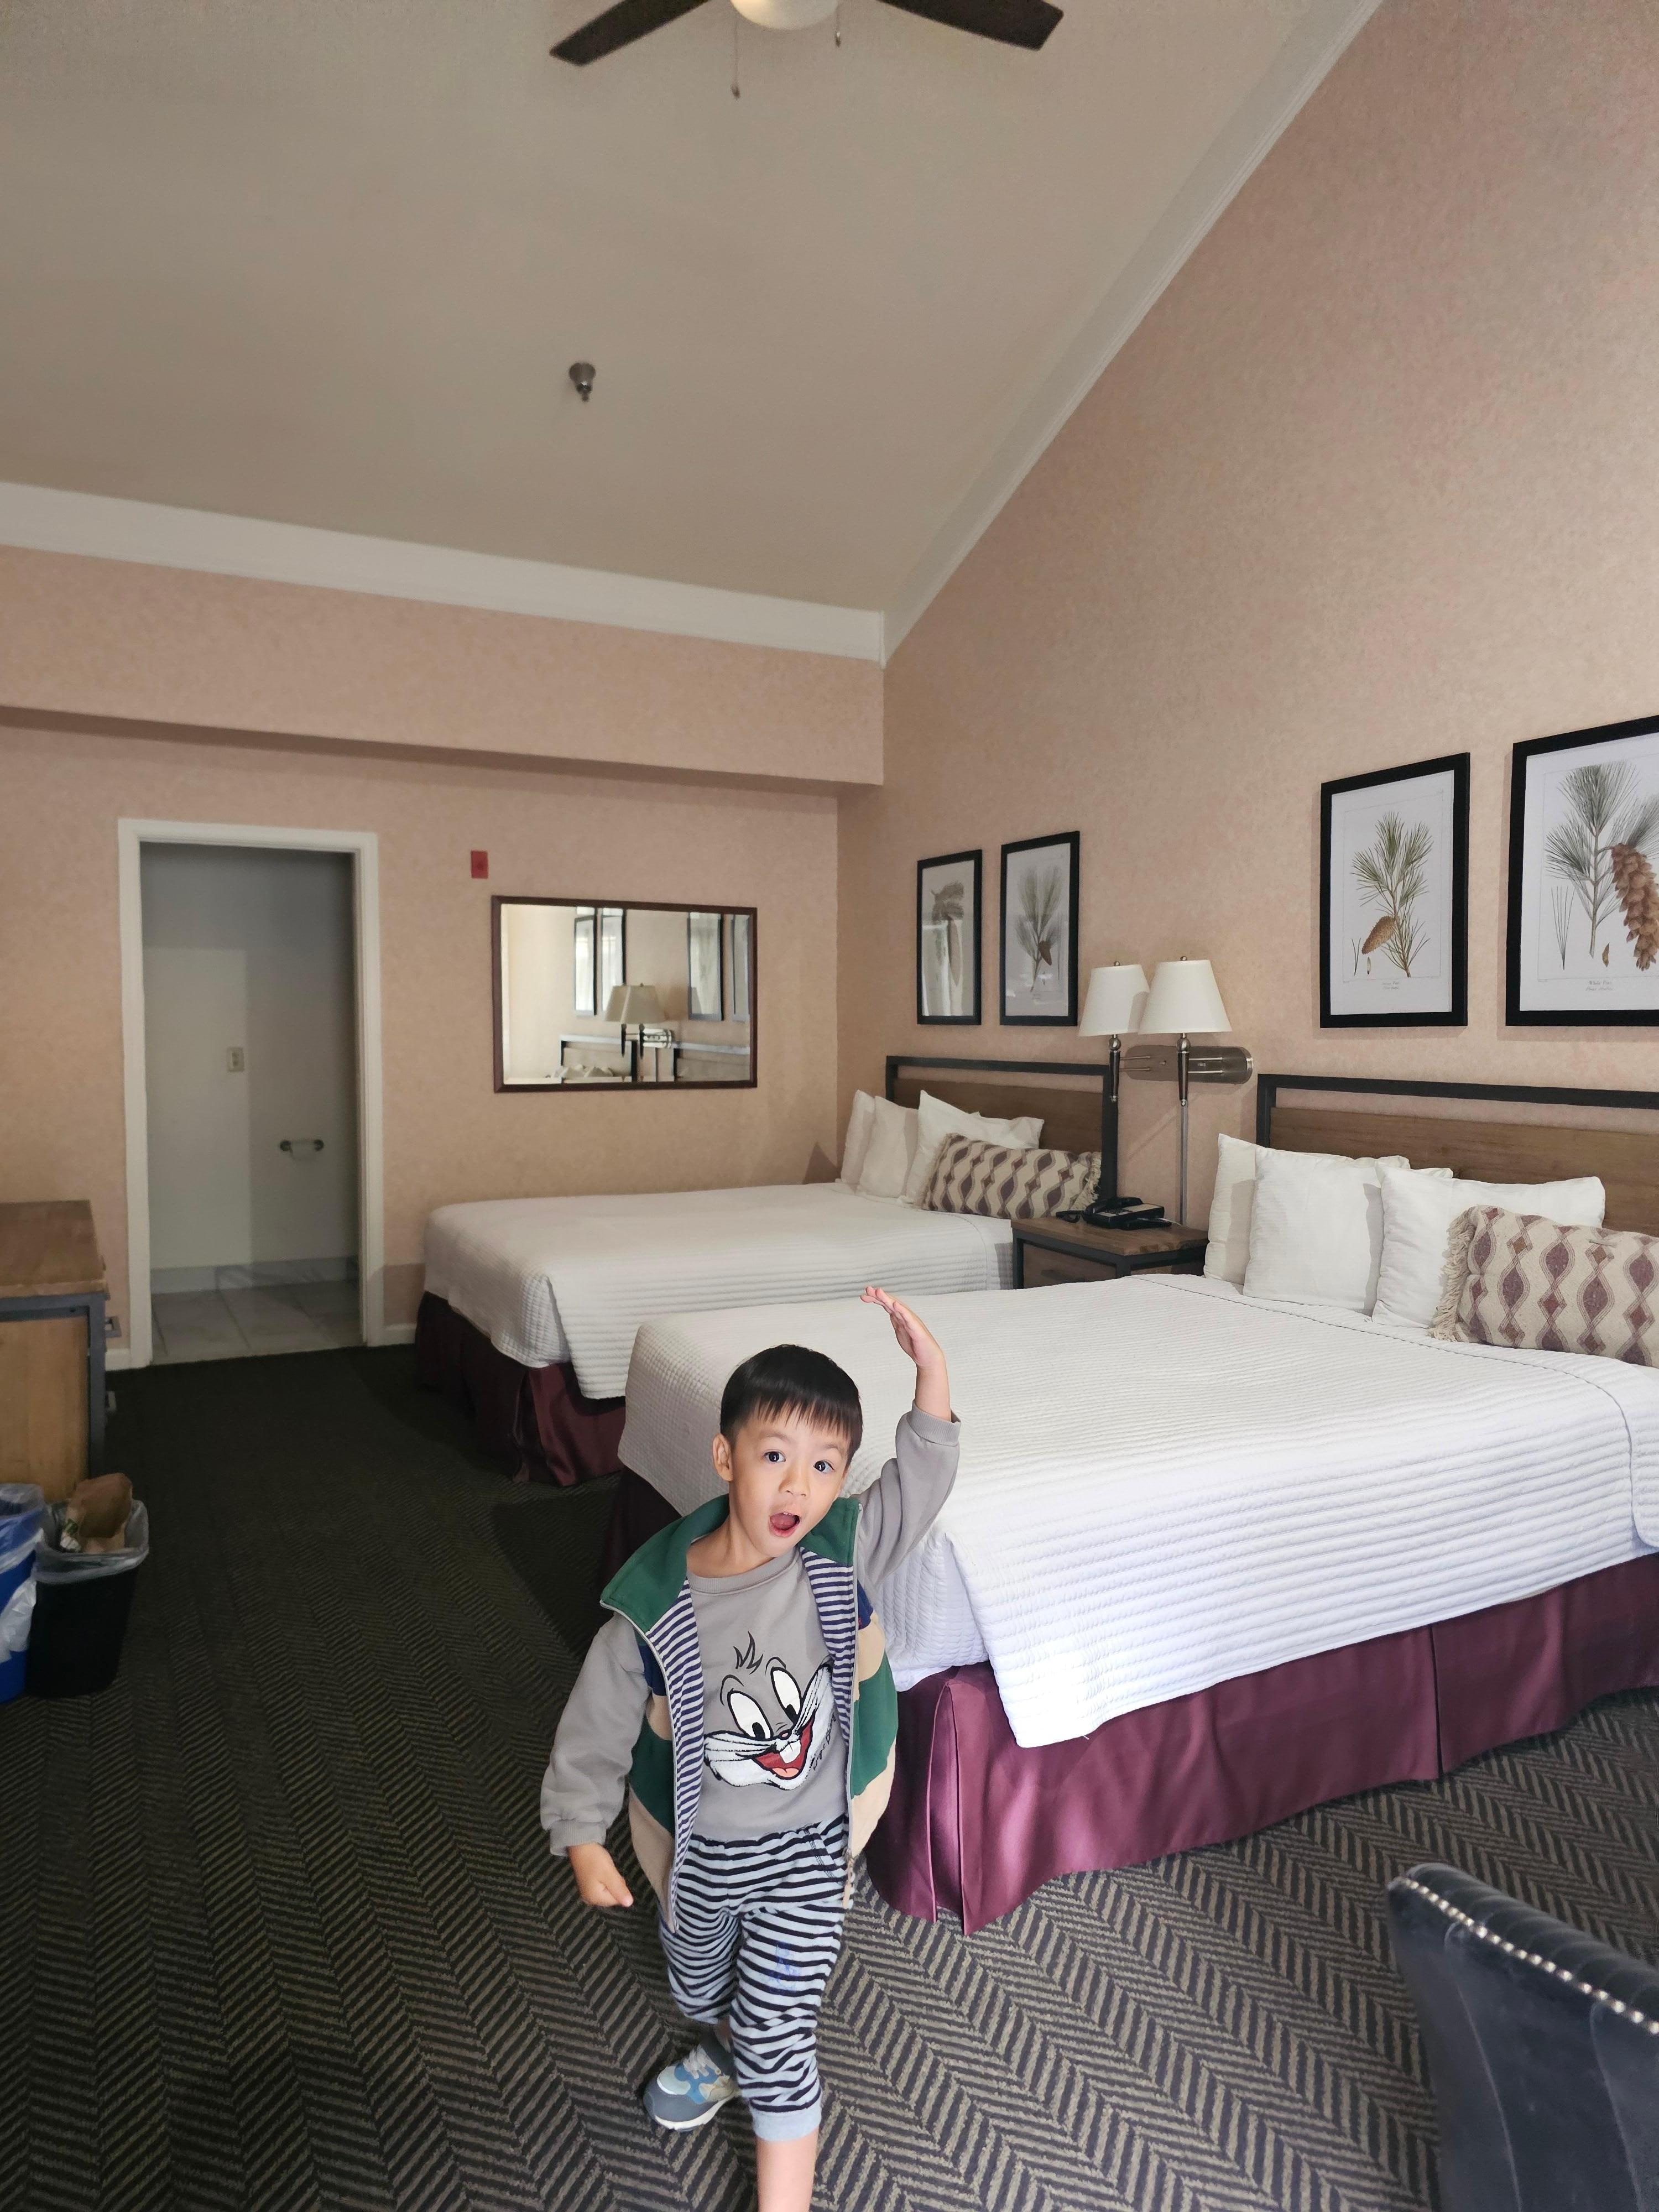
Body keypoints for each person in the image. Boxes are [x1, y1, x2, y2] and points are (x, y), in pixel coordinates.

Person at [540, 1285, 958, 2212]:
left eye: (825, 1466)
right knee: (701, 1985)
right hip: (703, 1856)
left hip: (806, 1848)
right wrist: (581, 1834)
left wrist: (930, 1375)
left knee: (778, 2029)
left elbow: (920, 1485)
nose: (799, 1487)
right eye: (776, 1457)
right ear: (726, 1457)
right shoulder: (656, 1606)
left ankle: (770, 2124)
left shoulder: (839, 1553)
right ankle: (727, 2045)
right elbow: (595, 1728)